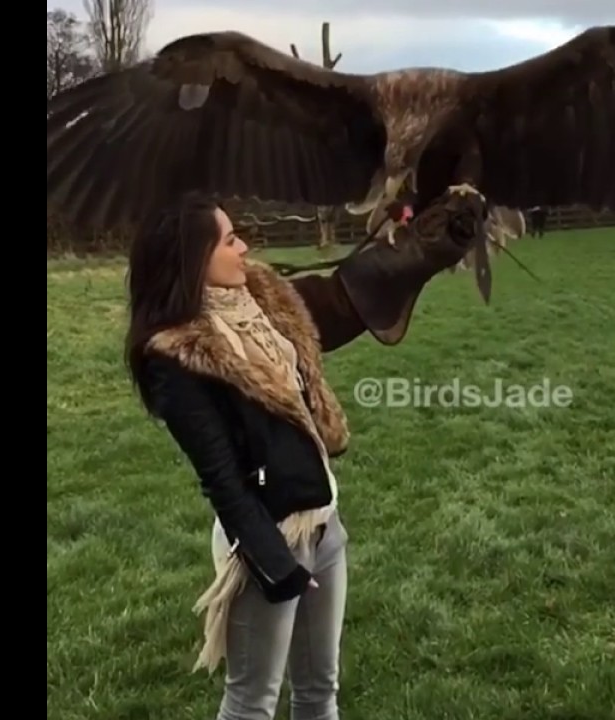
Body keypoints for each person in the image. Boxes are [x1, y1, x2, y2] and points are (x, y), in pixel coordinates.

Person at [122, 190, 480, 720]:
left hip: (324, 525)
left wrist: (412, 257)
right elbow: (221, 480)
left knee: (320, 692)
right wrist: (276, 568)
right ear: (195, 258)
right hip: (267, 542)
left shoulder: (263, 301)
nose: (244, 247)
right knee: (252, 701)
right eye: (230, 239)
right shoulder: (176, 354)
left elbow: (339, 301)